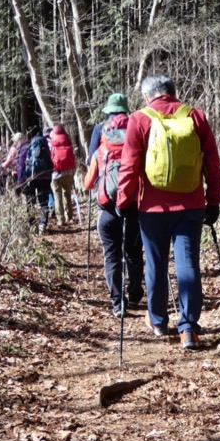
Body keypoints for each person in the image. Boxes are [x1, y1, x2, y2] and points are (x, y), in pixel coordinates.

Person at [115, 75, 220, 350]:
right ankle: (188, 329)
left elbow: (128, 165)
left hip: (152, 207)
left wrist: (124, 202)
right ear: (174, 93)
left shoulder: (140, 119)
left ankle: (159, 321)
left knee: (156, 264)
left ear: (148, 96)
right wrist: (214, 201)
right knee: (187, 263)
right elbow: (212, 162)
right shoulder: (195, 116)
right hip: (192, 206)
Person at [83, 113, 144, 318]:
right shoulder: (138, 149)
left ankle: (118, 303)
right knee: (134, 252)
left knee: (112, 255)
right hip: (133, 209)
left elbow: (88, 183)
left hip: (108, 211)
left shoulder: (101, 150)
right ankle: (135, 294)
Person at [17, 126, 54, 234]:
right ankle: (43, 224)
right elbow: (50, 160)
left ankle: (33, 225)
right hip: (44, 177)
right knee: (43, 202)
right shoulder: (44, 144)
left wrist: (20, 181)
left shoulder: (25, 146)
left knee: (30, 202)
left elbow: (20, 164)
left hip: (30, 178)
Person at [88, 93, 130, 163]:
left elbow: (92, 157)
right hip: (130, 170)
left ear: (108, 111)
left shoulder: (100, 128)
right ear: (125, 110)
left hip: (106, 171)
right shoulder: (133, 127)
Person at [49, 124, 76, 227]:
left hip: (56, 173)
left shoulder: (52, 142)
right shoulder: (67, 140)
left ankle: (61, 220)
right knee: (67, 194)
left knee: (57, 196)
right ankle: (70, 217)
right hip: (68, 172)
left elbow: (51, 156)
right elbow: (73, 156)